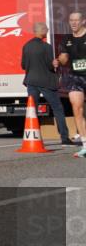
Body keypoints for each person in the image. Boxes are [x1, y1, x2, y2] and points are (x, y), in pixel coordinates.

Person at [22, 21, 74, 146]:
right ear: (41, 31)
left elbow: (23, 65)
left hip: (31, 82)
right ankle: (65, 138)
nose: (47, 31)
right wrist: (55, 63)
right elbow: (50, 66)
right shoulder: (47, 47)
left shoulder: (26, 46)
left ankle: (32, 137)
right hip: (46, 82)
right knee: (58, 109)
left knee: (32, 111)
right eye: (46, 29)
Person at [57, 11, 86, 156]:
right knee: (77, 107)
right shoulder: (67, 39)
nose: (73, 23)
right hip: (75, 77)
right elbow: (64, 58)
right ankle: (85, 146)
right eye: (71, 20)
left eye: (76, 20)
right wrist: (59, 60)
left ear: (83, 21)